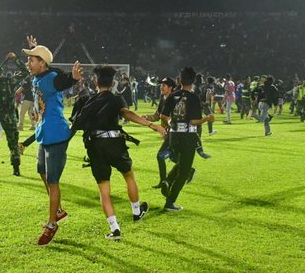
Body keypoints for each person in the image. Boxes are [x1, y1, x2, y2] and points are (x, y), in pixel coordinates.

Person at [71, 65, 165, 240]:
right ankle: (137, 211)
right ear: (113, 82)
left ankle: (115, 229)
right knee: (128, 175)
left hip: (95, 146)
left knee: (104, 188)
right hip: (114, 143)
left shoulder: (86, 101)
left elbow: (75, 125)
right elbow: (127, 113)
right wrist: (152, 125)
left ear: (95, 82)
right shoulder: (116, 99)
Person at [23, 35, 82, 246]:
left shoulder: (52, 77)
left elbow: (61, 78)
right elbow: (44, 69)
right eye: (29, 59)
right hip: (43, 134)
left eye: (31, 60)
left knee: (52, 181)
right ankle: (57, 210)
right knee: (41, 171)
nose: (28, 63)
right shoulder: (37, 76)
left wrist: (73, 79)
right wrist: (34, 49)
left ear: (42, 63)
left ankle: (52, 224)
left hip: (56, 135)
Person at [160, 66, 214, 211]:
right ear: (194, 80)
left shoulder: (172, 96)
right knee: (184, 171)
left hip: (174, 136)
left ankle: (167, 181)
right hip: (188, 137)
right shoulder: (194, 98)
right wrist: (207, 119)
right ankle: (170, 202)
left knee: (180, 164)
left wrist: (170, 126)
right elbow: (194, 121)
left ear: (180, 80)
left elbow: (163, 117)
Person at [142, 76, 177, 188]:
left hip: (174, 133)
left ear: (170, 87)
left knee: (160, 156)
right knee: (174, 157)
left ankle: (163, 182)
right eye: (161, 85)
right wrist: (146, 117)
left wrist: (168, 124)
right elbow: (157, 115)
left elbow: (177, 117)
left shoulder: (175, 99)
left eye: (164, 85)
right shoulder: (163, 98)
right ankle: (189, 170)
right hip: (167, 133)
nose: (161, 87)